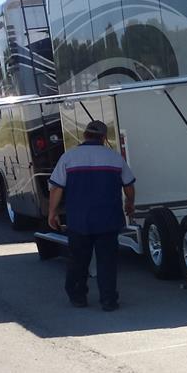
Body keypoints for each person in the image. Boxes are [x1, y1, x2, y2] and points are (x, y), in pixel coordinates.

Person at [47, 120, 136, 311]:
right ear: (103, 138)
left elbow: (56, 189)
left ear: (85, 135)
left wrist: (52, 213)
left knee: (78, 260)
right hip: (108, 219)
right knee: (107, 262)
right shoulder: (114, 158)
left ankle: (78, 296)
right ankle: (108, 300)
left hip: (79, 220)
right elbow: (128, 185)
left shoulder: (68, 158)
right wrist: (130, 203)